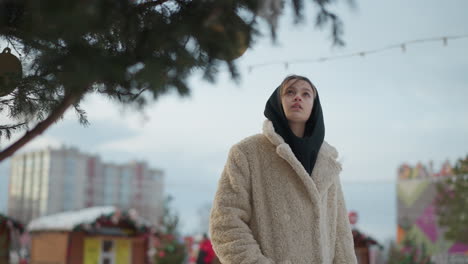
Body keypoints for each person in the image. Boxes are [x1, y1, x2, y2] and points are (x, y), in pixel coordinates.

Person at [209, 75, 357, 264]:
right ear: (278, 101)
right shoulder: (247, 153)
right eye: (290, 92)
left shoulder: (327, 162)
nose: (298, 97)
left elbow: (341, 236)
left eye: (306, 94)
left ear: (314, 105)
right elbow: (226, 223)